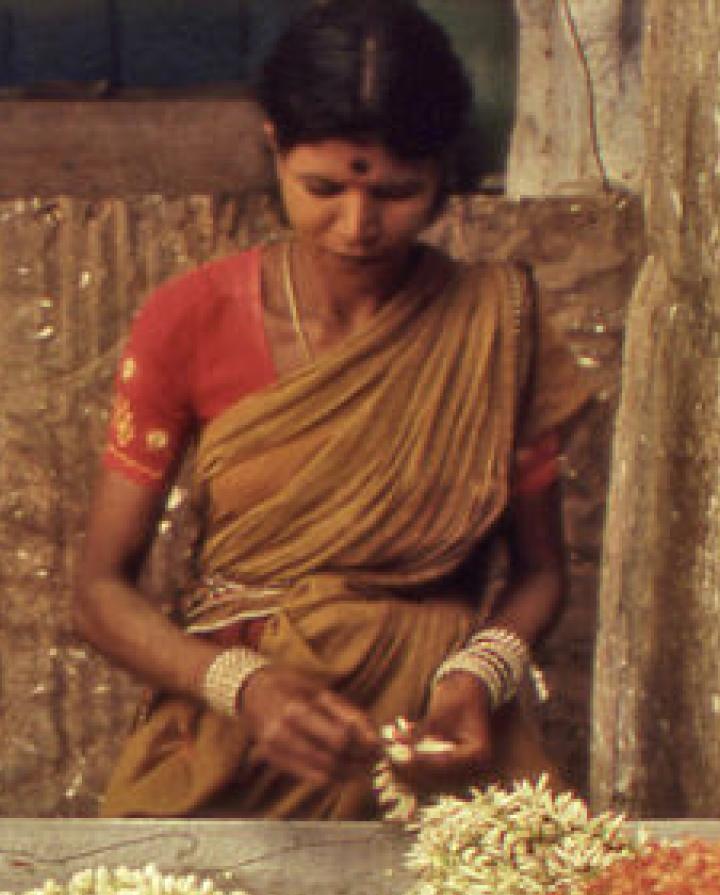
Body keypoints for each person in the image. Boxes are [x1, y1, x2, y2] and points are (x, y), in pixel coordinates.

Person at [74, 0, 593, 819]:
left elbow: (539, 573)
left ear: (443, 175)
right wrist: (241, 687)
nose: (356, 226)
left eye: (397, 192)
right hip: (237, 741)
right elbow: (102, 590)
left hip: (431, 739)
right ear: (274, 148)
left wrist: (475, 674)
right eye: (321, 189)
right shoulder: (190, 318)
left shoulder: (499, 330)